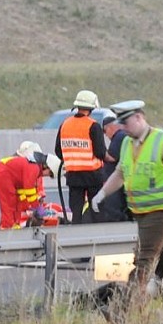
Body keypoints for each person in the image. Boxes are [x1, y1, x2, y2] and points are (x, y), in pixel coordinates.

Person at [90, 100, 163, 324]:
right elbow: (121, 173)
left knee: (142, 261)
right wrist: (101, 194)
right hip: (142, 214)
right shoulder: (127, 144)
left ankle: (119, 312)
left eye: (127, 121)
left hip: (162, 212)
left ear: (140, 118)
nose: (123, 127)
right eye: (120, 122)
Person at [54, 89, 106, 224]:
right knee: (96, 209)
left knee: (75, 210)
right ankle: (96, 236)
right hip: (93, 176)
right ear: (91, 108)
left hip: (73, 176)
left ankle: (76, 237)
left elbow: (58, 151)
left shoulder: (65, 124)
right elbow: (100, 152)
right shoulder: (93, 125)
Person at [0, 141, 60, 229]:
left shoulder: (32, 166)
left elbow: (23, 193)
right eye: (49, 174)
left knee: (15, 201)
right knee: (9, 203)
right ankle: (7, 228)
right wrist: (36, 207)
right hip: (1, 175)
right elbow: (29, 190)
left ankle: (14, 225)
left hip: (0, 174)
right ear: (47, 166)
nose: (47, 176)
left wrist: (30, 206)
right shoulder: (34, 168)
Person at [96, 115, 130, 222]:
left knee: (113, 208)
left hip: (116, 182)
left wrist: (99, 149)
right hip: (119, 180)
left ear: (110, 127)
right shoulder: (122, 137)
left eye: (105, 131)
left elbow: (111, 157)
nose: (106, 135)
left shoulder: (119, 136)